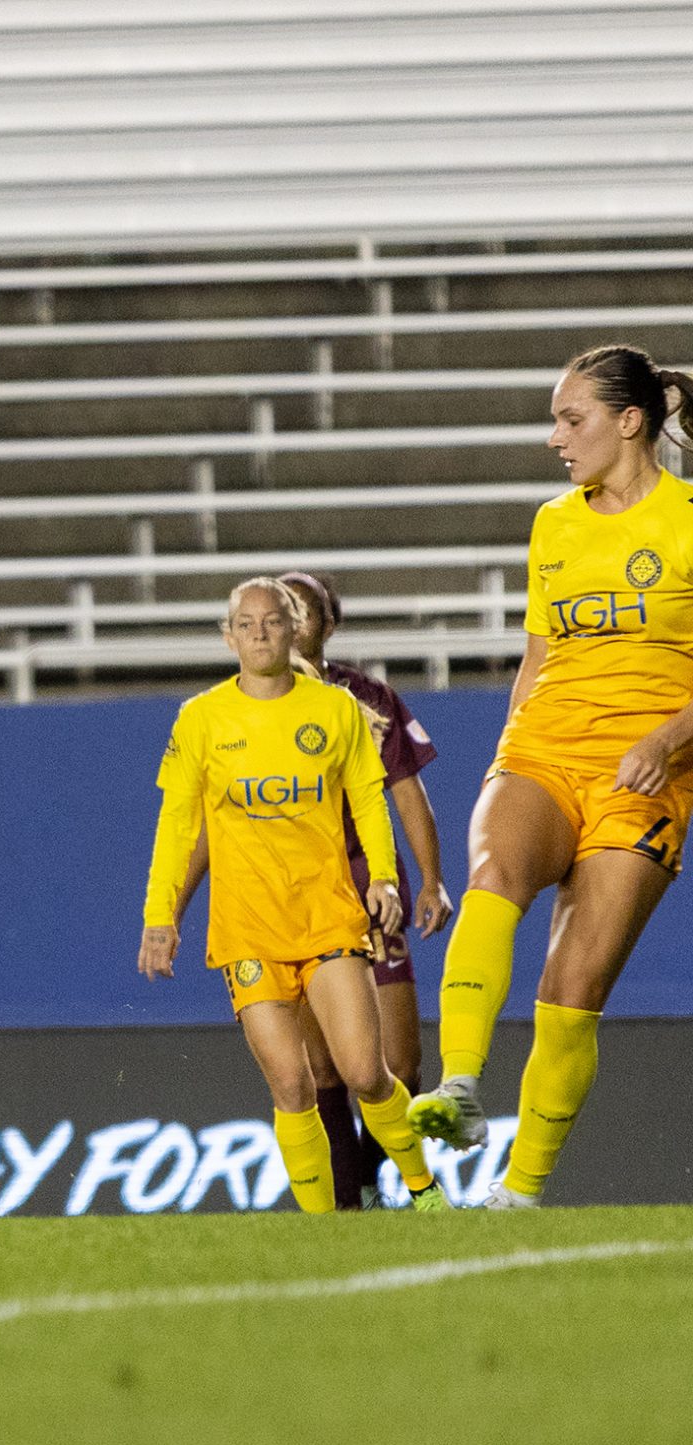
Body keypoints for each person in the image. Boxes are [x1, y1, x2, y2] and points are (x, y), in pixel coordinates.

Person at [408, 345, 693, 1206]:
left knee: (573, 986)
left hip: (647, 775)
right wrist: (508, 748)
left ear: (630, 421)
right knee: (494, 874)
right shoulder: (553, 522)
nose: (554, 439)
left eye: (572, 420)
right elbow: (540, 655)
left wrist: (673, 737)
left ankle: (519, 1193)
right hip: (543, 748)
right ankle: (458, 1086)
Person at [140, 580, 447, 1215]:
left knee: (367, 1072)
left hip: (327, 914)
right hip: (247, 927)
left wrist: (386, 878)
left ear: (297, 628)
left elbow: (369, 796)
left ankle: (424, 1190)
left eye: (272, 622)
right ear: (228, 637)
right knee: (291, 1083)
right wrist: (159, 916)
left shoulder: (336, 709)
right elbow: (178, 825)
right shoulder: (200, 718)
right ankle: (321, 1227)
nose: (259, 633)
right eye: (245, 624)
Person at [279, 569, 455, 1206]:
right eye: (281, 608)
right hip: (295, 895)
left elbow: (409, 794)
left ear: (330, 624)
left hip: (369, 888)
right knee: (323, 1067)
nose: (290, 621)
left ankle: (374, 1170)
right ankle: (349, 1201)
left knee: (399, 1065)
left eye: (304, 610)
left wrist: (431, 881)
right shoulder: (241, 707)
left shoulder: (371, 700)